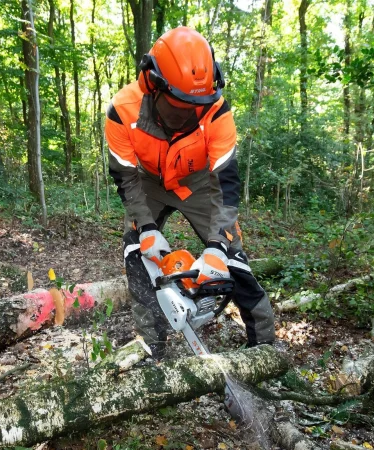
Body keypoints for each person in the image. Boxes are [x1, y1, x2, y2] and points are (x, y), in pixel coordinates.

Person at [105, 27, 276, 358]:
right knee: (135, 249)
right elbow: (126, 178)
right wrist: (147, 227)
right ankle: (151, 344)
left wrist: (216, 246)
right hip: (148, 182)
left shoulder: (217, 112)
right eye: (181, 105)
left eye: (197, 104)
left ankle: (264, 348)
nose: (191, 113)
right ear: (153, 83)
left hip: (198, 182)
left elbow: (225, 184)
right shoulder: (122, 111)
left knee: (234, 256)